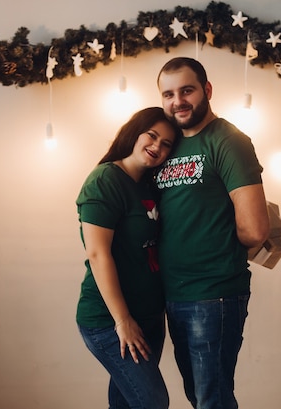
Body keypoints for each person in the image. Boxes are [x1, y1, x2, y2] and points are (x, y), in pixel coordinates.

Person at [155, 57, 270, 409]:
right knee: (199, 396)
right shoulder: (167, 143)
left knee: (212, 400)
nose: (178, 101)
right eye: (168, 94)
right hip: (173, 293)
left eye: (186, 90)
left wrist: (211, 245)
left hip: (213, 294)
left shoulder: (228, 140)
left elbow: (255, 230)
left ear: (206, 90)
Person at [76, 107, 181, 409]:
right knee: (152, 402)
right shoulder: (105, 180)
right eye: (152, 135)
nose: (157, 146)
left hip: (149, 316)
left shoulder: (150, 185)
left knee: (125, 404)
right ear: (134, 132)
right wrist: (122, 321)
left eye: (166, 144)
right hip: (109, 320)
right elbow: (97, 254)